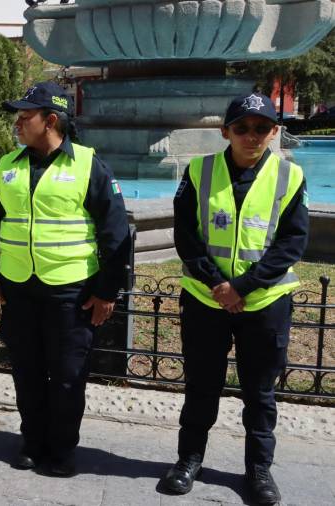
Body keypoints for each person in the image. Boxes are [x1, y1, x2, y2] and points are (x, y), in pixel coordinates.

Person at [159, 93, 308, 506]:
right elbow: (186, 235)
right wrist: (218, 286)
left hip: (264, 303)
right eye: (242, 127)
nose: (252, 135)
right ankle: (188, 460)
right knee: (201, 387)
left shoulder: (289, 176)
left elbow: (292, 243)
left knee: (259, 394)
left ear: (274, 131)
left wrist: (242, 287)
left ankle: (259, 471)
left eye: (262, 127)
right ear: (225, 131)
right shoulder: (199, 170)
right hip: (206, 300)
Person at [0, 82, 131, 476]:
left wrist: (106, 291)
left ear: (50, 120)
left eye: (24, 117)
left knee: (67, 377)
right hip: (17, 288)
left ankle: (62, 448)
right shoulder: (6, 165)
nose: (17, 123)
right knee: (26, 372)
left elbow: (114, 233)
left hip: (70, 291)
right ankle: (32, 440)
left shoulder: (88, 165)